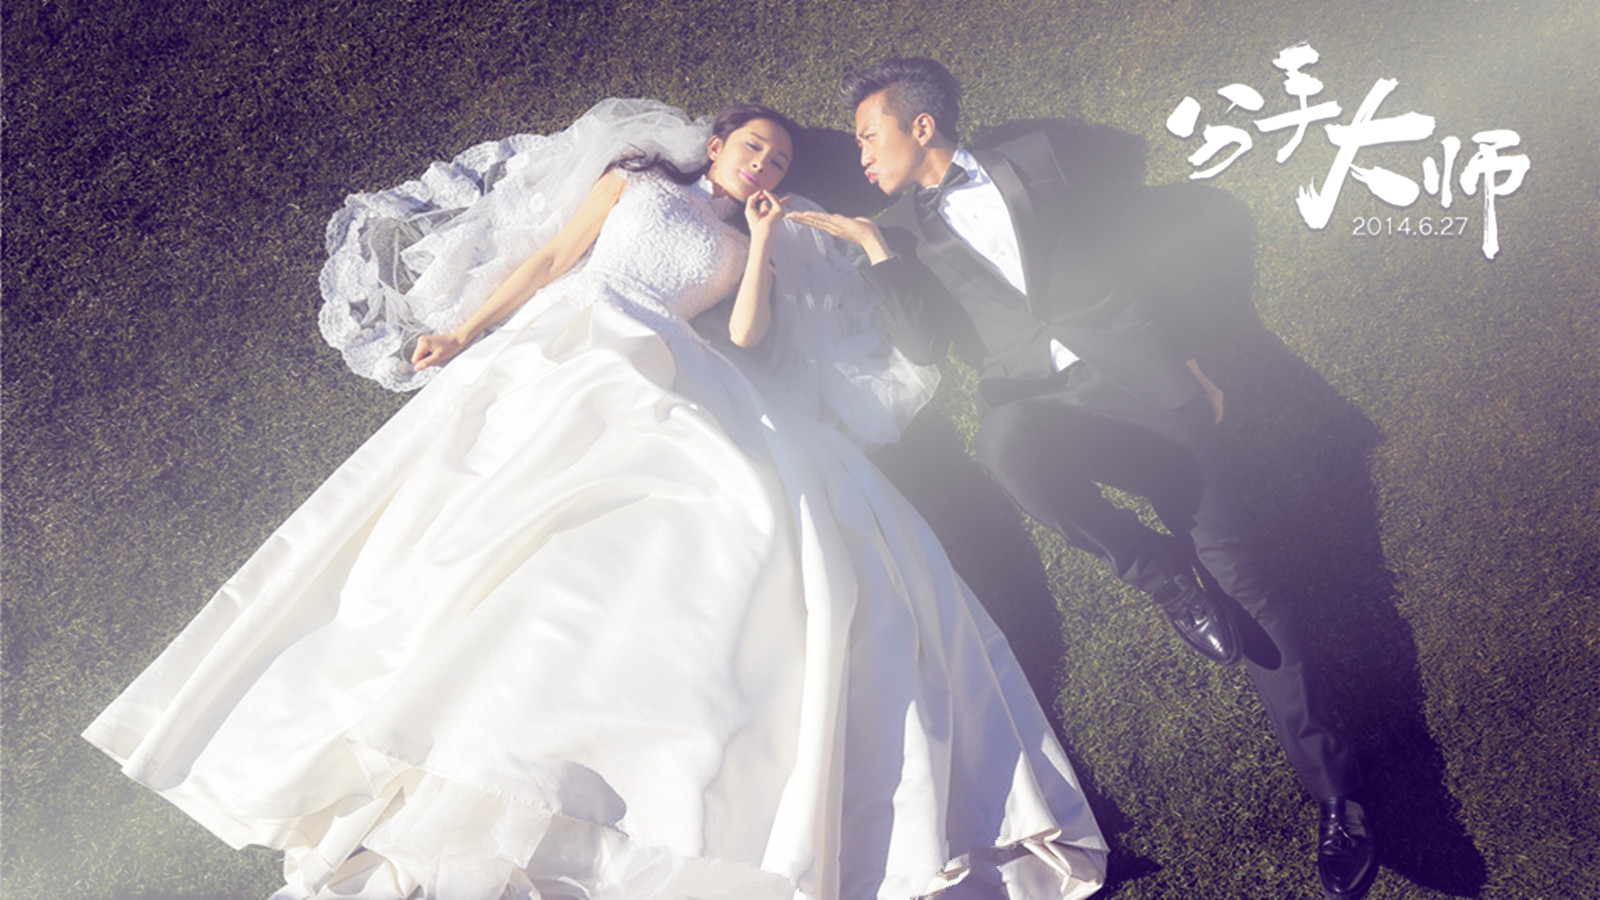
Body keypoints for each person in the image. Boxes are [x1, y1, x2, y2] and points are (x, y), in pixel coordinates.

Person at [82, 98, 1107, 899]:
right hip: (573, 335)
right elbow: (546, 260)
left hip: (676, 361)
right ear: (716, 142)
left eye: (779, 162)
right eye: (754, 147)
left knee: (719, 511)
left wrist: (760, 239)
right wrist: (467, 330)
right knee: (474, 505)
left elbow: (744, 339)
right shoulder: (633, 181)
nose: (764, 166)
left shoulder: (746, 241)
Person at [789, 58, 1377, 899]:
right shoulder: (898, 230)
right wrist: (878, 249)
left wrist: (1187, 357)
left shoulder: (1042, 157)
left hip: (1152, 394)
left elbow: (1136, 249)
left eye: (868, 135)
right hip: (1044, 408)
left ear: (922, 125)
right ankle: (1158, 572)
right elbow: (921, 345)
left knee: (1254, 599)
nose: (862, 156)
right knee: (1006, 446)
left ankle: (1340, 799)